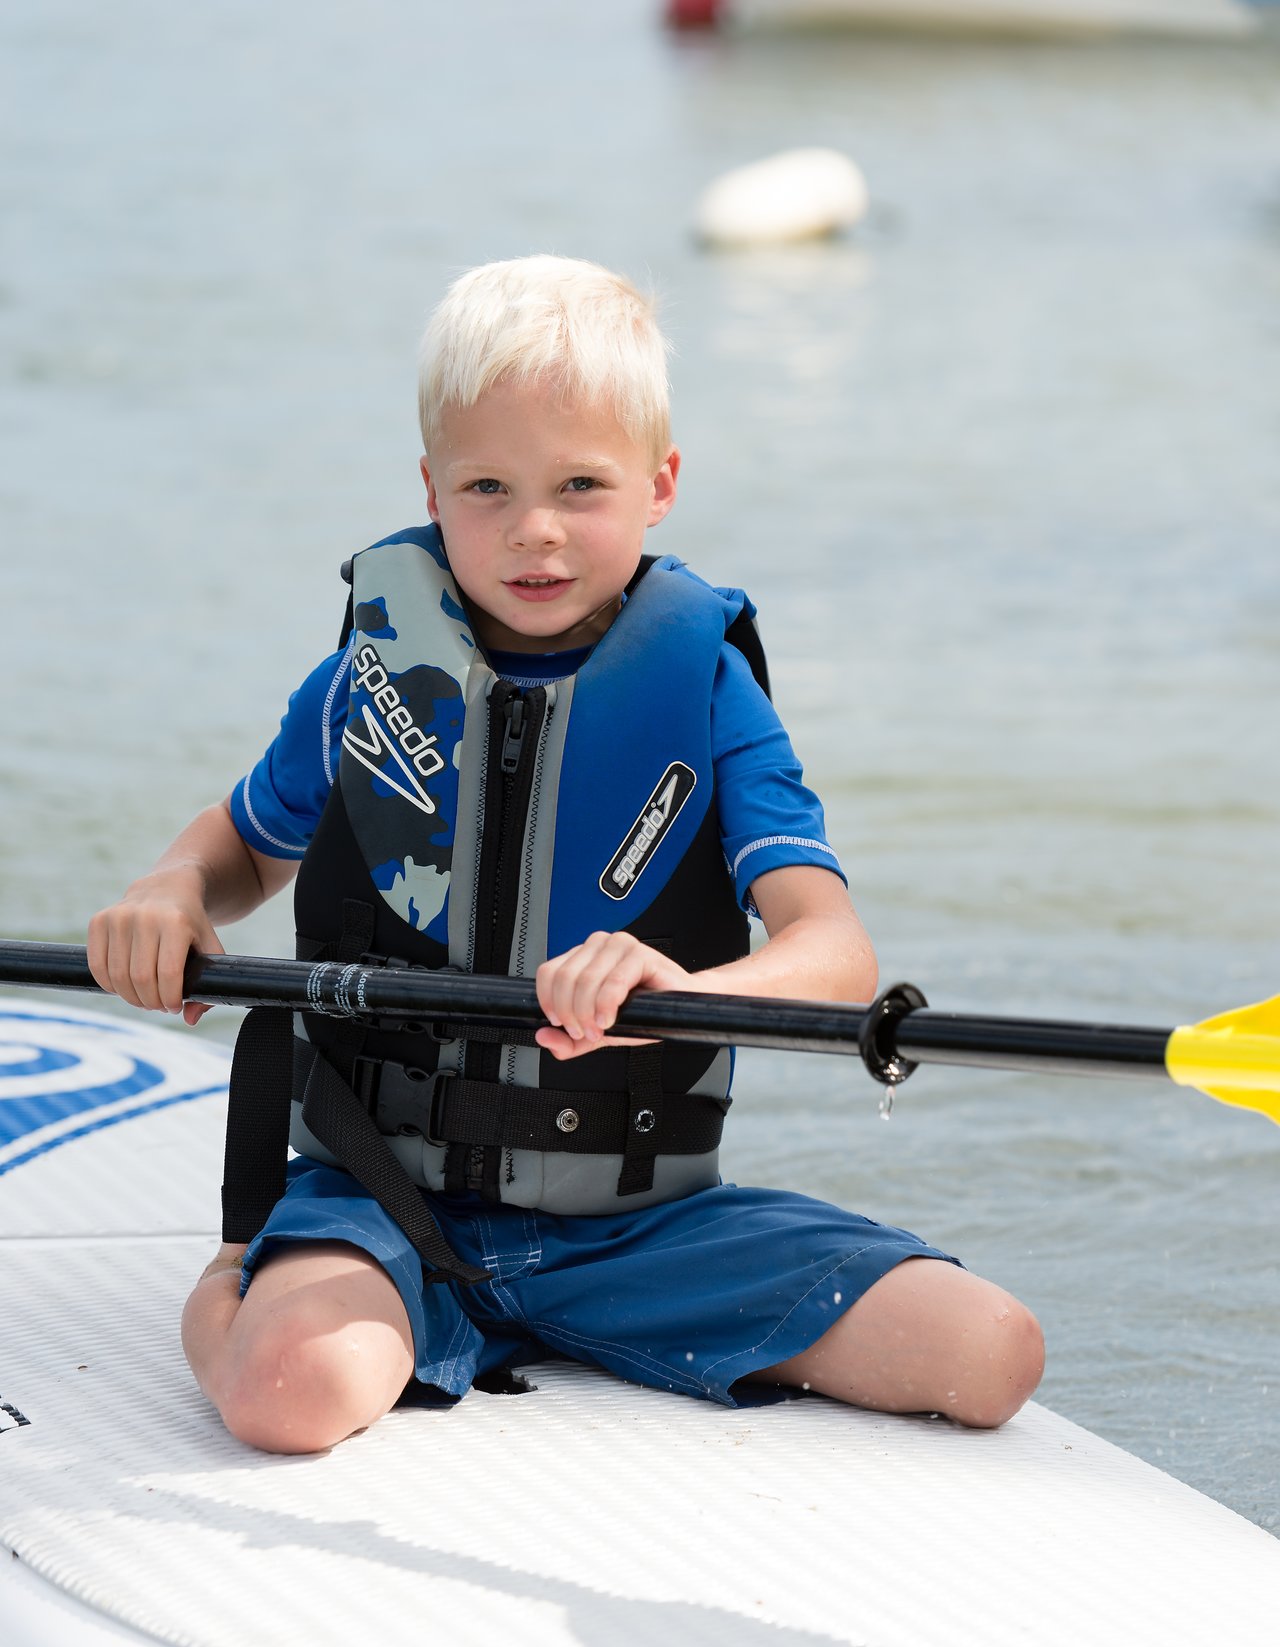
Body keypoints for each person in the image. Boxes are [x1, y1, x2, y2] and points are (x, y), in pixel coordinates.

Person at [88, 255, 1044, 1456]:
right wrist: (171, 890)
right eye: (487, 486)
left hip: (638, 1232)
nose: (532, 530)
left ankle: (567, 1317)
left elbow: (833, 956)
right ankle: (243, 1268)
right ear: (430, 490)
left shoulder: (705, 689)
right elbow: (239, 844)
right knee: (290, 1399)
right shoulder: (366, 685)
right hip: (381, 1204)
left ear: (660, 485)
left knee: (990, 1355)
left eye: (579, 484)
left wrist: (684, 994)